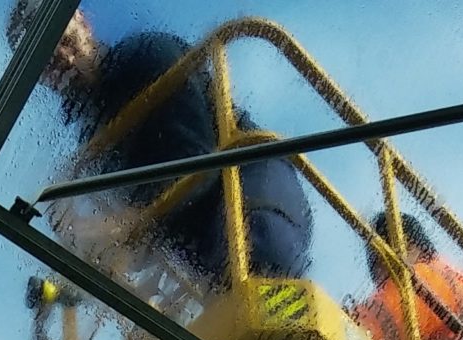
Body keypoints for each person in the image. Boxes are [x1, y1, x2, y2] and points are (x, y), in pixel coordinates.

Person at [16, 4, 313, 285]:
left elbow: (197, 161)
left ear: (84, 22)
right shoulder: (95, 140)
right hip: (209, 231)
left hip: (252, 184)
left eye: (66, 41)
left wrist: (119, 226)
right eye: (51, 63)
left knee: (254, 270)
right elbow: (149, 229)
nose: (66, 59)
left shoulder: (145, 59)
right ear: (43, 80)